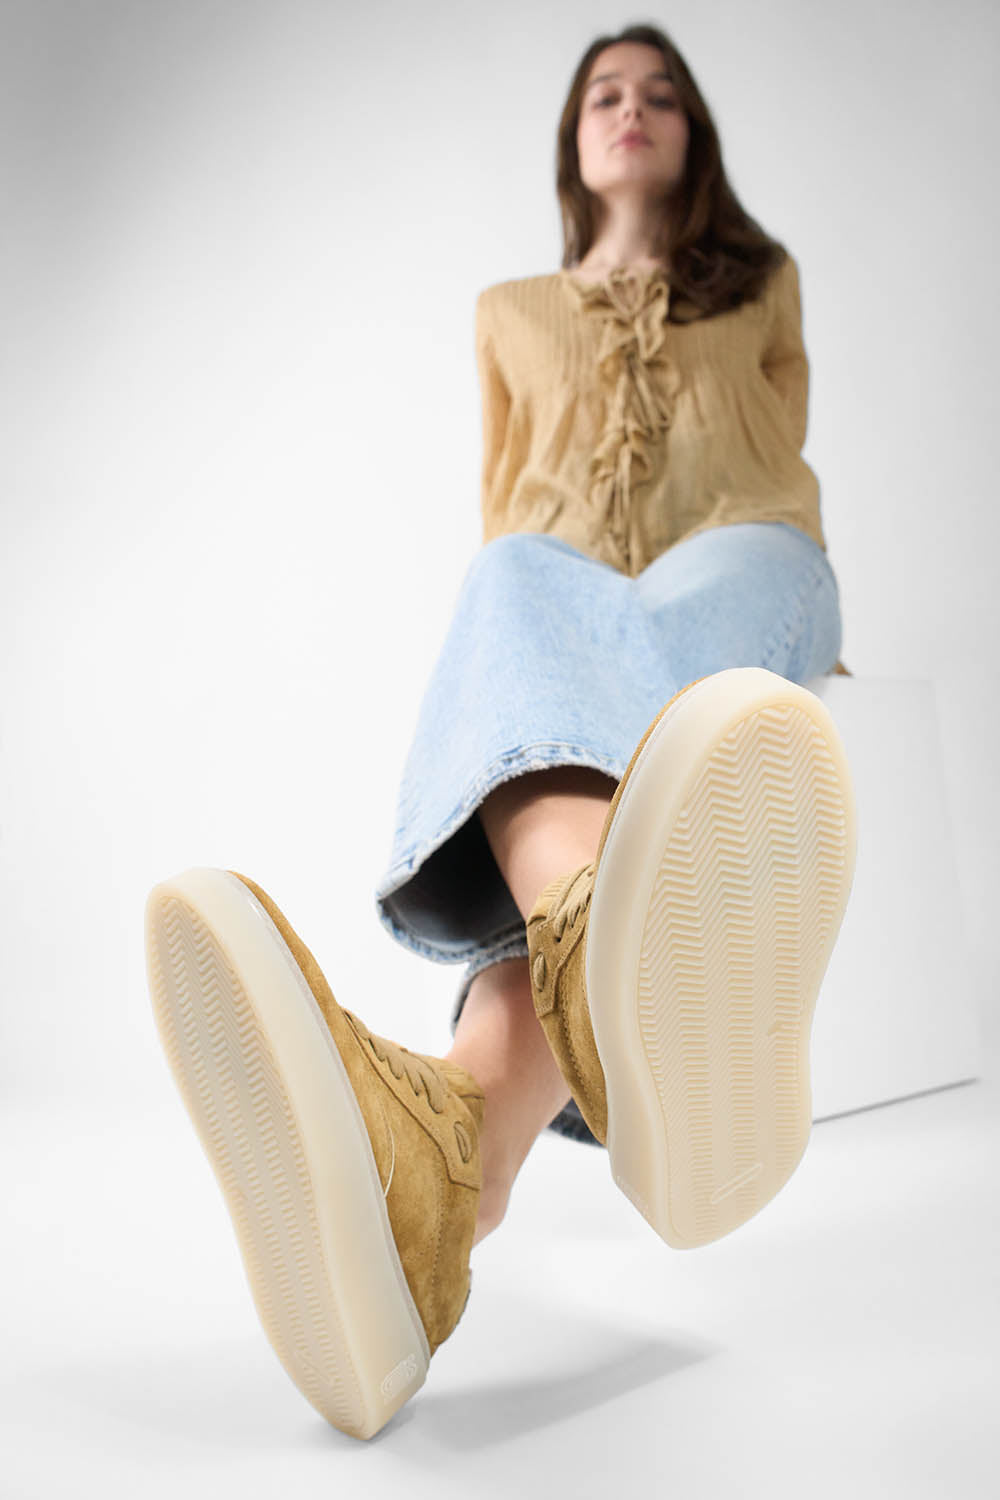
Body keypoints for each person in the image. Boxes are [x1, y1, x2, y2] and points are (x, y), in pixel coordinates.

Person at [144, 24, 857, 1442]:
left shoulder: (760, 282)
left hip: (740, 563)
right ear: (573, 141)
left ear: (693, 133)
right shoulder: (509, 312)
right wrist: (548, 631)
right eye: (606, 94)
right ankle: (437, 1181)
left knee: (691, 590)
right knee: (514, 575)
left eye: (661, 94)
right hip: (575, 596)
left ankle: (573, 998)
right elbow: (509, 496)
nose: (633, 110)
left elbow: (778, 452)